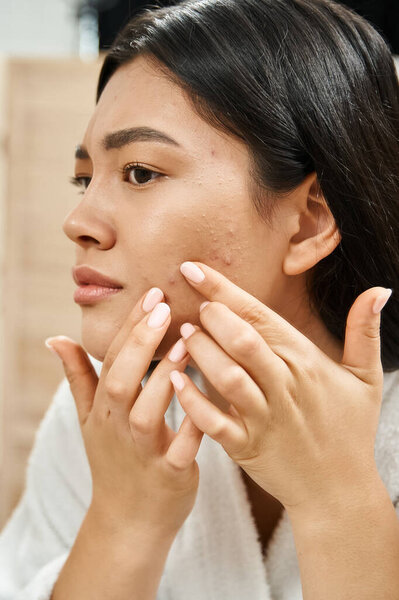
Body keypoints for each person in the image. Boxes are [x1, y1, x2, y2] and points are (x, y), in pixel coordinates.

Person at [1, 0, 399, 598]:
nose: (79, 220)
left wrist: (338, 502)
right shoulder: (114, 412)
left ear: (310, 221)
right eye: (86, 178)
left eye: (139, 172)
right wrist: (123, 521)